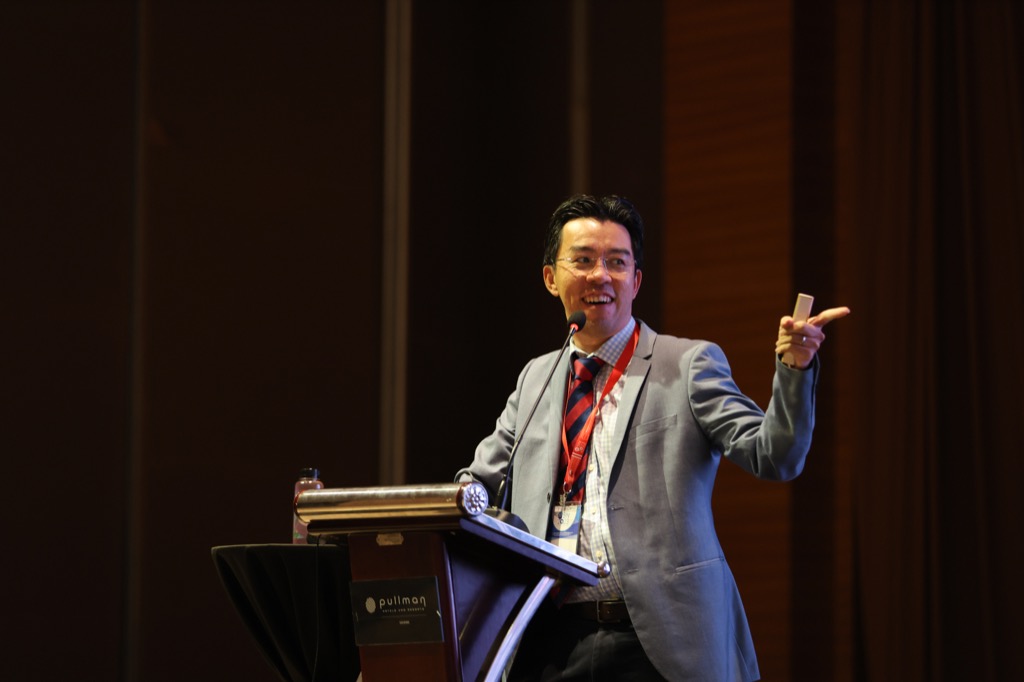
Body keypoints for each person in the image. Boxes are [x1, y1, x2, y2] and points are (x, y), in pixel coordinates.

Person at [456, 194, 850, 681]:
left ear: (636, 281)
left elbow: (776, 456)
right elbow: (475, 486)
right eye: (583, 260)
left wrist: (794, 367)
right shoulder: (536, 379)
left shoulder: (687, 365)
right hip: (549, 638)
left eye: (617, 262)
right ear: (551, 278)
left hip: (661, 641)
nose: (601, 276)